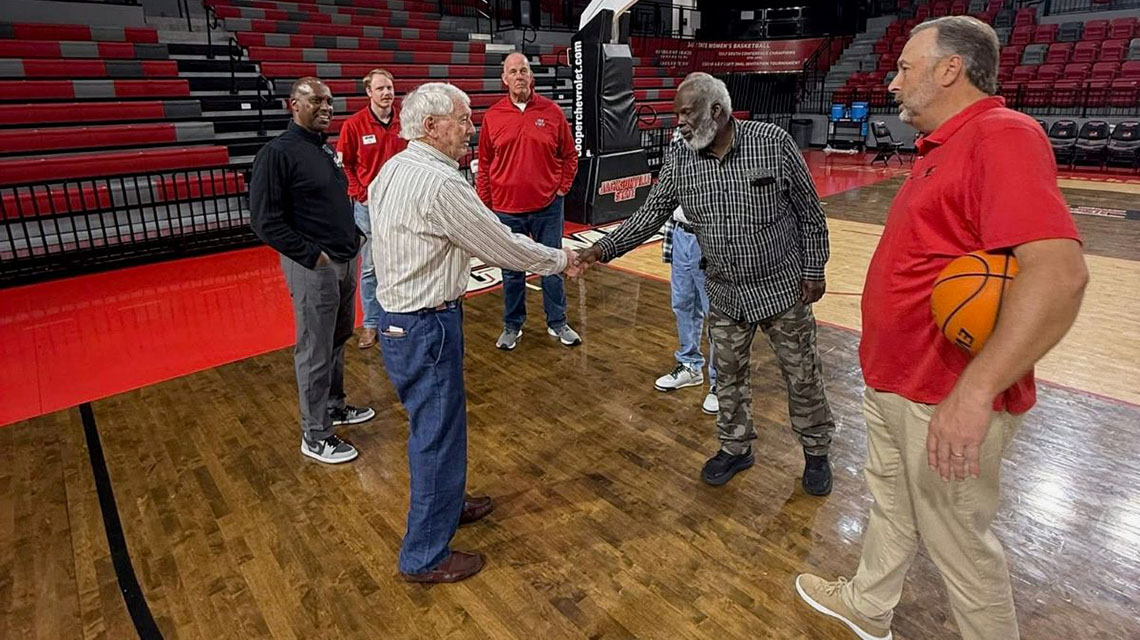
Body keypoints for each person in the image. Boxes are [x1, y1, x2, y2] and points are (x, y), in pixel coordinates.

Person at [794, 17, 1087, 640]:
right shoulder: (944, 146)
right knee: (892, 509)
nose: (892, 81)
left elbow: (1059, 277)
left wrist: (976, 392)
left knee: (959, 546)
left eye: (905, 67)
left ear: (950, 69)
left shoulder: (1002, 135)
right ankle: (868, 606)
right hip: (897, 381)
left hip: (943, 394)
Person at [578, 72, 836, 494]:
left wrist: (814, 269)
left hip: (782, 288)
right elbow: (651, 213)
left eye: (685, 113)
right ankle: (736, 448)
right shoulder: (681, 158)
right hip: (725, 291)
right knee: (728, 380)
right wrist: (604, 248)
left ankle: (816, 453)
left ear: (716, 112)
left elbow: (810, 213)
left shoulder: (772, 143)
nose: (677, 122)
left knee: (802, 375)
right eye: (676, 113)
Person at [369, 82, 586, 583]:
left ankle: (448, 504)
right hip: (426, 324)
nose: (472, 128)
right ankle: (423, 555)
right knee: (436, 436)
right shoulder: (441, 184)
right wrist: (561, 259)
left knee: (439, 427)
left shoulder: (394, 168)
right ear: (431, 127)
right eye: (463, 120)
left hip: (402, 320)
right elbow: (501, 245)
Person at [250, 77, 376, 465]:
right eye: (316, 101)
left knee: (338, 338)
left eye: (329, 101)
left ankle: (335, 405)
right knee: (314, 348)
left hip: (343, 257)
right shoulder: (277, 153)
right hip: (314, 265)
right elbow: (264, 221)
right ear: (294, 105)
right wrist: (312, 255)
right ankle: (315, 434)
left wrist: (352, 235)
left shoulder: (322, 149)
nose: (325, 107)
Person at [475, 52, 581, 350]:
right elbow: (484, 164)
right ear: (504, 79)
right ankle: (512, 325)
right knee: (511, 272)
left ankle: (557, 322)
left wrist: (562, 187)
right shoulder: (493, 117)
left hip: (548, 207)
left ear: (531, 77)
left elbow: (569, 155)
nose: (519, 76)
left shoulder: (552, 112)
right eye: (513, 71)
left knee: (554, 266)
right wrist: (487, 204)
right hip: (507, 210)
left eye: (524, 70)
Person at [336, 68, 407, 349]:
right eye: (380, 89)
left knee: (403, 262)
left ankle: (401, 315)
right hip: (369, 208)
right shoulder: (353, 126)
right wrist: (360, 194)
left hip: (402, 204)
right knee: (371, 268)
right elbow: (345, 166)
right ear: (368, 92)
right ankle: (370, 324)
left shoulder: (405, 121)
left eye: (389, 87)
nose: (387, 93)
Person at [655, 205, 718, 416]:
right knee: (683, 304)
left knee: (718, 314)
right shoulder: (677, 169)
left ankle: (722, 383)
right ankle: (689, 365)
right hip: (680, 232)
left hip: (712, 236)